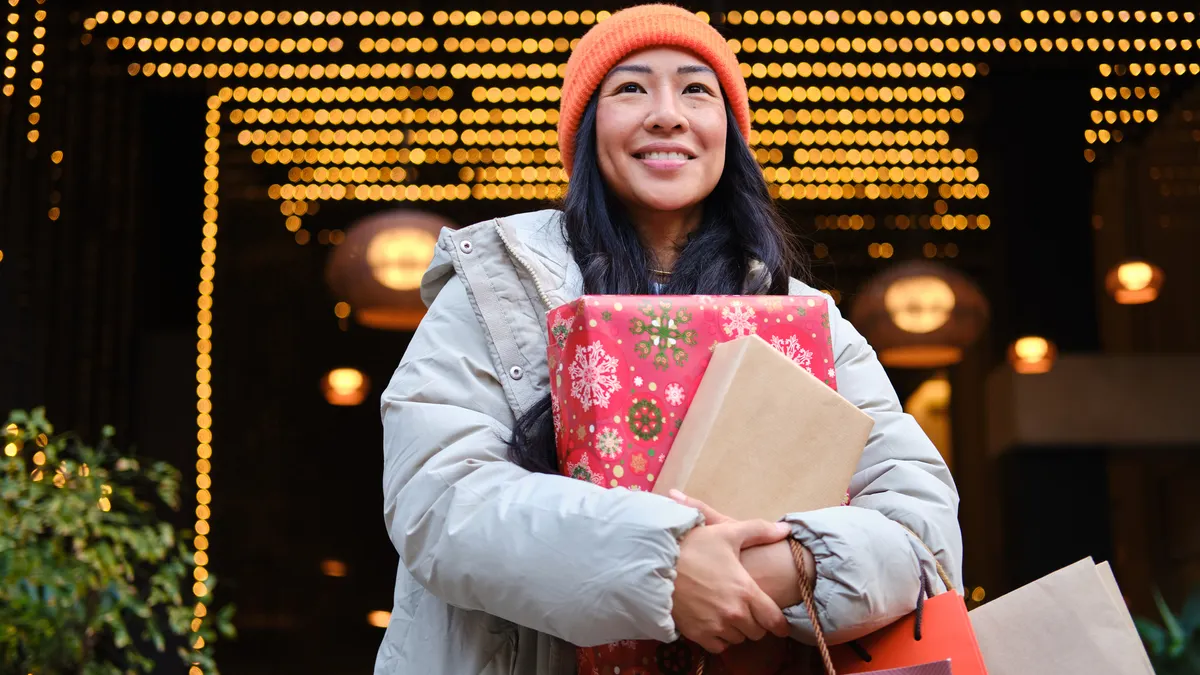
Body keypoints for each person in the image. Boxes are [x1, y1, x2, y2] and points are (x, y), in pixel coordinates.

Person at [375, 5, 961, 674]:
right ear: (586, 129)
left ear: (728, 132)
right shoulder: (494, 290)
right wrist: (666, 569)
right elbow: (439, 500)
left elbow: (922, 527)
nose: (667, 115)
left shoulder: (806, 317)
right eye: (630, 88)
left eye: (696, 90)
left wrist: (778, 569)